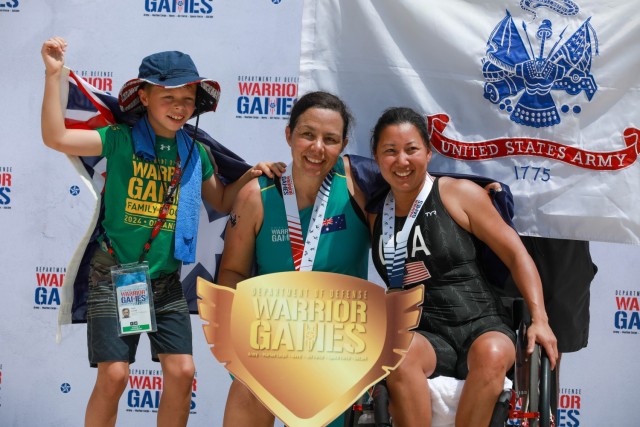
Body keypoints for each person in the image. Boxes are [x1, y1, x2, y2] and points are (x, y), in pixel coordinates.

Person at [41, 37, 284, 427]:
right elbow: (56, 138)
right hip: (114, 275)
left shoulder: (194, 152)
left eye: (187, 99)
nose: (179, 107)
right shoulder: (119, 140)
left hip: (165, 281)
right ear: (145, 97)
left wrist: (251, 175)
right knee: (115, 375)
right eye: (168, 97)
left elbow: (221, 200)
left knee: (182, 372)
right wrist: (54, 76)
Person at [368, 107, 558, 427]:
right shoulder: (373, 212)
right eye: (390, 151)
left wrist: (539, 318)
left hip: (481, 326)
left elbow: (516, 255)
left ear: (428, 153)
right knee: (396, 354)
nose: (401, 160)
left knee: (494, 353)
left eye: (411, 149)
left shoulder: (458, 193)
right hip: (424, 335)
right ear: (375, 158)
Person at [218, 91, 370, 427]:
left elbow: (417, 187)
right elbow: (231, 270)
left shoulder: (359, 185)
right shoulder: (257, 194)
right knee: (246, 390)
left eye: (330, 139)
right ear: (289, 135)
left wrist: (483, 189)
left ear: (343, 144)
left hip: (339, 342)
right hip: (272, 335)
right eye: (307, 134)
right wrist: (234, 336)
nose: (317, 148)